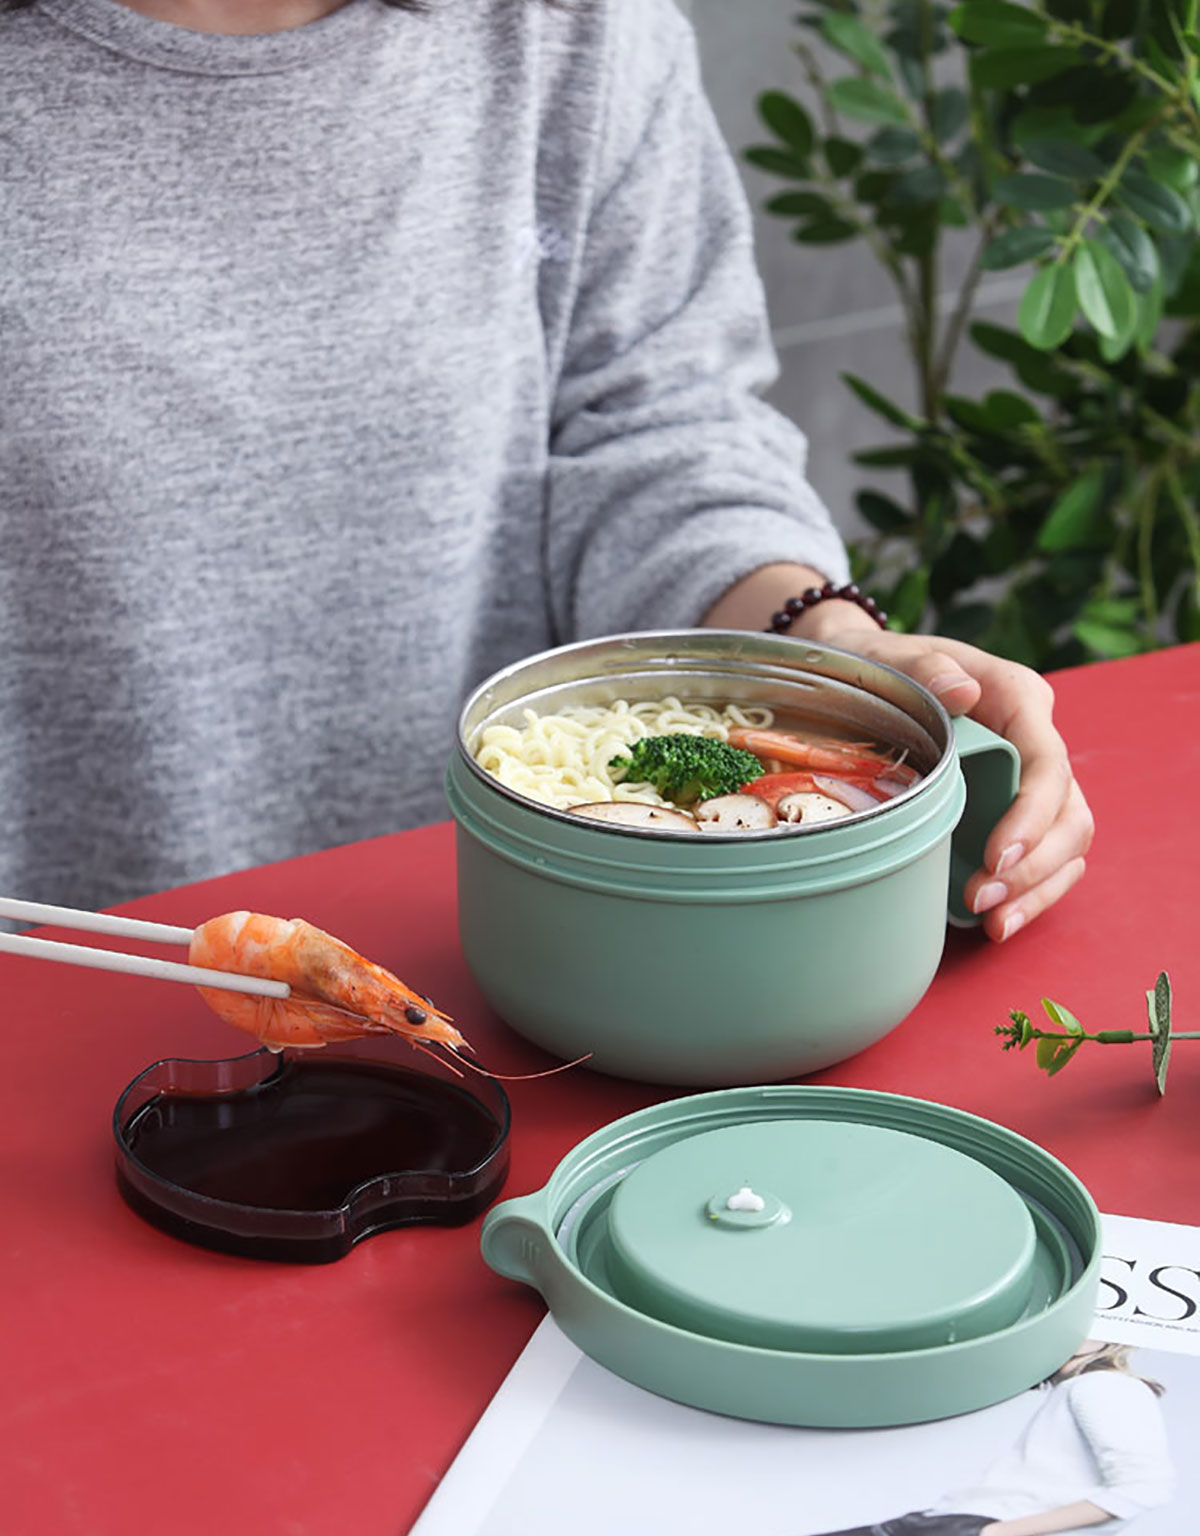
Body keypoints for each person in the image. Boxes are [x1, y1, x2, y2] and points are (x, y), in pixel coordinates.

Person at [0, 0, 1092, 940]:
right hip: (53, 972)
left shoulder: (574, 31)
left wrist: (830, 657)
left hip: (511, 956)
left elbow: (651, 427)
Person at [807, 1342, 1175, 1536]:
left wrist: (997, 1533)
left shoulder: (1105, 1386)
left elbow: (1145, 1488)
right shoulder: (1086, 1388)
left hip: (973, 1525)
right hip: (947, 1522)